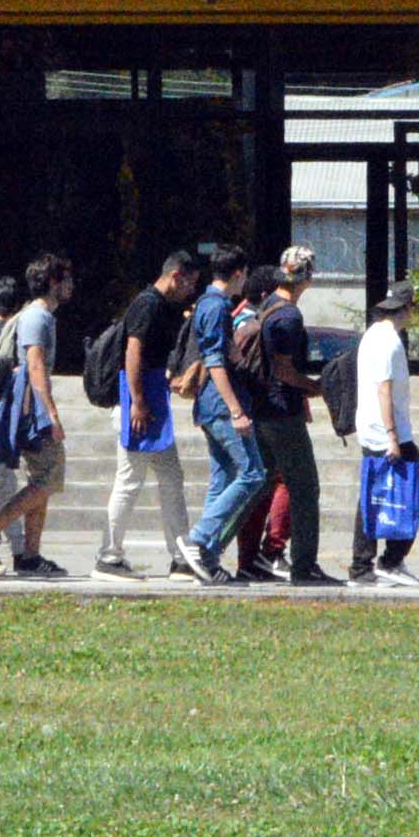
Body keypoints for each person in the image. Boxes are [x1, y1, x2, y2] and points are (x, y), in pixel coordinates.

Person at [94, 247, 199, 578]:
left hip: (152, 398)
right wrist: (137, 401)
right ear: (175, 276)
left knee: (170, 478)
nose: (191, 291)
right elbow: (133, 352)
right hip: (138, 404)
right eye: (190, 283)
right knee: (129, 481)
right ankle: (108, 557)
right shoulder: (147, 304)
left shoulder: (161, 306)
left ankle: (180, 555)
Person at [237, 257, 334, 584]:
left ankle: (241, 558)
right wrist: (315, 387)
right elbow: (283, 370)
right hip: (282, 413)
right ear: (306, 278)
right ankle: (304, 566)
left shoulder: (267, 306)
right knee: (305, 488)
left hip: (260, 409)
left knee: (259, 486)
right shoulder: (290, 316)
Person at [0, 253, 73, 578]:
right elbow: (35, 366)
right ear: (53, 282)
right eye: (67, 279)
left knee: (41, 480)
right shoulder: (38, 317)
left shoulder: (41, 316)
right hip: (33, 410)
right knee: (50, 478)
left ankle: (30, 555)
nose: (71, 286)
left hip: (33, 407)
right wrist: (52, 415)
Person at [181, 249, 273, 585]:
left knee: (222, 478)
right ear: (238, 274)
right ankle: (198, 539)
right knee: (253, 473)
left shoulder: (206, 303)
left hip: (209, 407)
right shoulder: (218, 306)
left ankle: (205, 553)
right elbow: (215, 362)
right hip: (222, 406)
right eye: (244, 274)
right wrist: (236, 411)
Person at [350, 282, 419, 582]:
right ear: (407, 308)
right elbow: (384, 389)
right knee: (411, 490)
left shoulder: (374, 334)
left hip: (374, 427)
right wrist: (392, 436)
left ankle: (365, 562)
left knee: (373, 493)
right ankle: (386, 559)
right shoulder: (388, 341)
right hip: (387, 432)